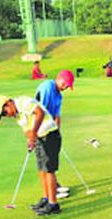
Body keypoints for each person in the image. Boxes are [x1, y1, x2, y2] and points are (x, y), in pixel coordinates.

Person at [0, 95, 62, 216]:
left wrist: (34, 132)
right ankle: (46, 198)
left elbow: (39, 112)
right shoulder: (18, 115)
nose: (6, 115)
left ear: (8, 103)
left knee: (49, 170)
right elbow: (27, 131)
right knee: (42, 169)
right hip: (40, 138)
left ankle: (53, 204)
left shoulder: (24, 102)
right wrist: (30, 140)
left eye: (4, 112)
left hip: (50, 135)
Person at [35, 70, 75, 201]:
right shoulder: (47, 87)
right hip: (40, 129)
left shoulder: (59, 95)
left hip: (49, 129)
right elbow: (41, 112)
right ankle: (52, 192)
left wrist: (56, 134)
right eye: (66, 84)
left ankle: (54, 186)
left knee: (50, 162)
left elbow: (56, 115)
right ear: (60, 79)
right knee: (47, 164)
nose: (66, 87)